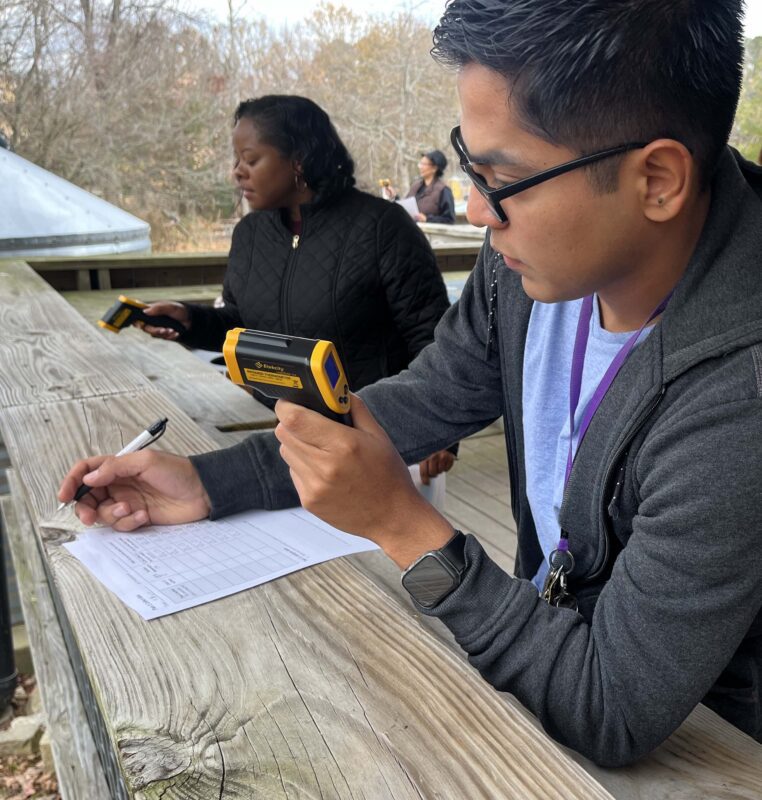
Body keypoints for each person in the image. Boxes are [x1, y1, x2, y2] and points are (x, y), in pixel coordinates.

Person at [59, 0, 762, 767]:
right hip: (537, 657)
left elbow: (612, 705)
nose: (474, 208)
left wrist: (402, 526)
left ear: (656, 178)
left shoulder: (740, 387)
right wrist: (206, 482)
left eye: (502, 179)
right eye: (469, 164)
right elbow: (426, 398)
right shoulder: (529, 267)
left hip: (709, 742)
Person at [137, 94, 454, 480]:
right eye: (236, 160)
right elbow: (242, 325)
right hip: (277, 436)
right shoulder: (251, 235)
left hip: (375, 444)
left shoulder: (382, 227)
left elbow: (433, 337)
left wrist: (440, 432)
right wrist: (189, 321)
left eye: (251, 160)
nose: (237, 172)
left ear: (299, 160)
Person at [405, 150, 456, 223]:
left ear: (434, 168)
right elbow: (405, 205)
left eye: (423, 164)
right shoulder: (415, 186)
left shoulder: (444, 190)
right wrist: (394, 196)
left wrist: (427, 219)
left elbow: (449, 220)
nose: (420, 167)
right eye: (420, 163)